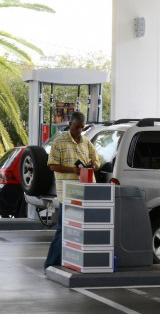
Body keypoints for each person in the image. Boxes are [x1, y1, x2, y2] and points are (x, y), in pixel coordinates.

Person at [44, 111, 99, 270]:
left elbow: (96, 159)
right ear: (70, 125)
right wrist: (72, 170)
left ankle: (72, 262)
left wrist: (93, 165)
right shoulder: (59, 142)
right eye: (76, 127)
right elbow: (52, 165)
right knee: (63, 231)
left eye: (81, 128)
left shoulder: (86, 142)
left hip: (86, 193)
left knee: (81, 231)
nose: (79, 131)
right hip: (68, 194)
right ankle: (50, 264)